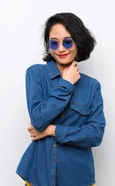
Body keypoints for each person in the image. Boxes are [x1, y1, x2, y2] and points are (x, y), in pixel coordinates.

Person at [17, 12, 105, 186]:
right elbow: (38, 119)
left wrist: (52, 131)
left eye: (67, 42)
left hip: (79, 177)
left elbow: (95, 135)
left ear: (78, 42)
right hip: (39, 177)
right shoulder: (35, 74)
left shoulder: (92, 86)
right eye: (54, 43)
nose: (61, 49)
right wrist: (66, 84)